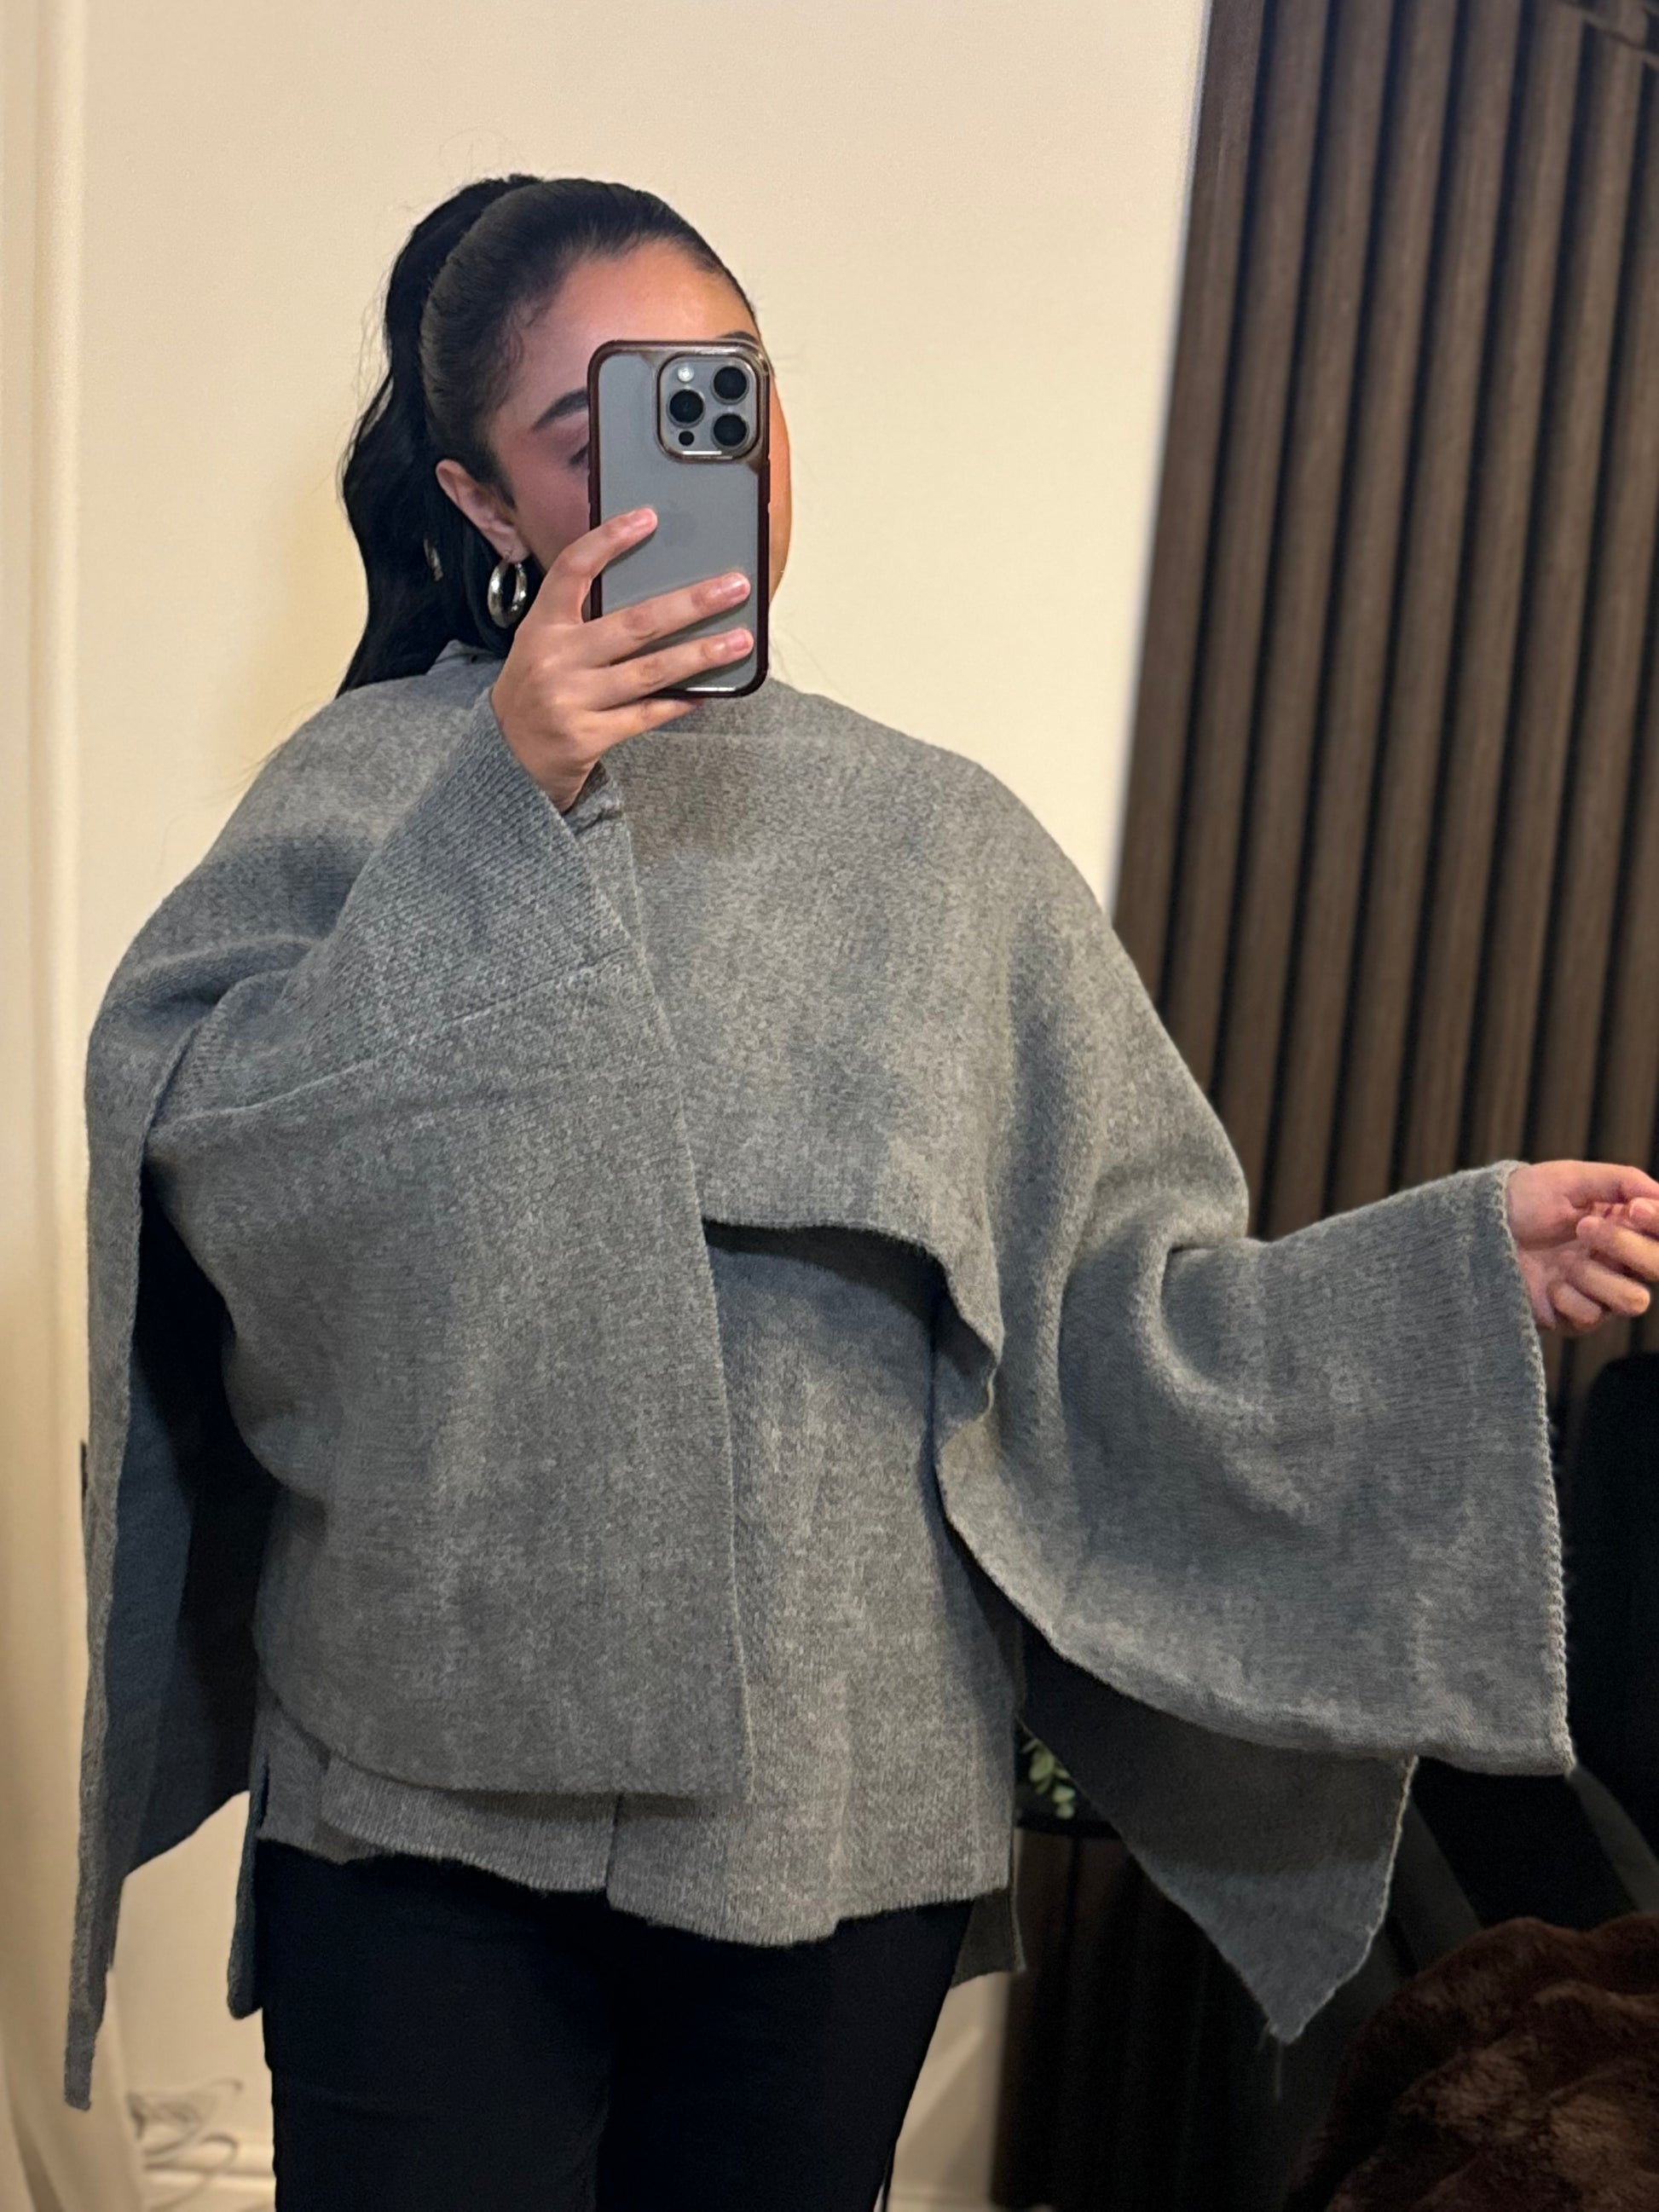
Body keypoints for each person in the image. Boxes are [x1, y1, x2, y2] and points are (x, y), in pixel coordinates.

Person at [63, 176, 1659, 2210]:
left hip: (839, 1801)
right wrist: (497, 813)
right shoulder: (363, 792)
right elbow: (219, 1174)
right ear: (482, 500)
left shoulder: (942, 847)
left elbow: (1116, 1302)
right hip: (413, 1787)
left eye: (721, 393)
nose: (690, 459)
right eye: (597, 426)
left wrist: (1435, 1272)